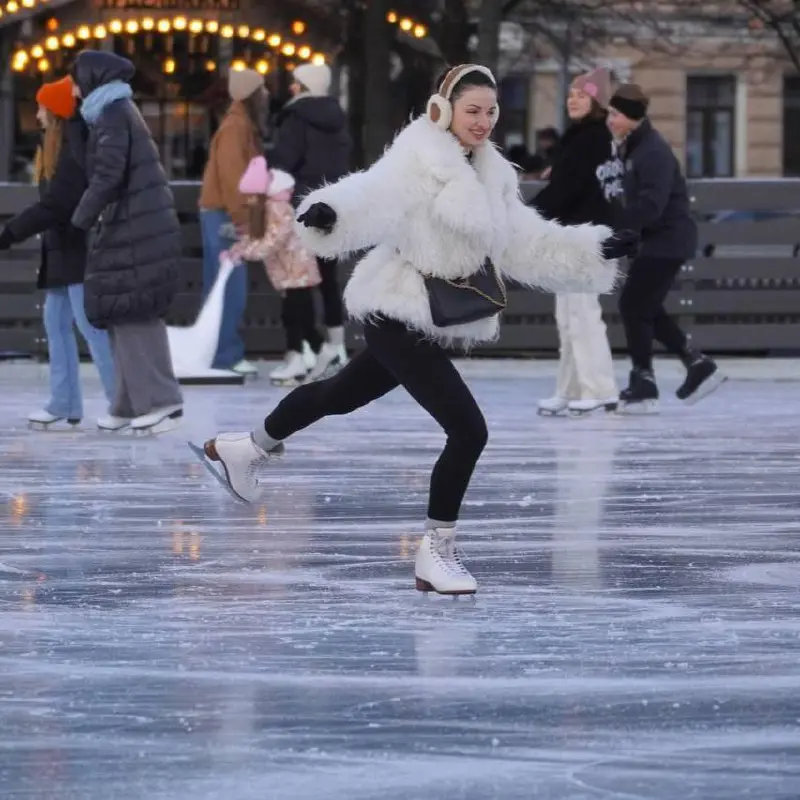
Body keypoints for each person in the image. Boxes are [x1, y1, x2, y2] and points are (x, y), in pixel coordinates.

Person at [195, 64, 632, 596]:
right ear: (444, 109)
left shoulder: (492, 174)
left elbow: (524, 240)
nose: (483, 120)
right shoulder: (418, 157)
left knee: (339, 394)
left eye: (491, 111)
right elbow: (370, 193)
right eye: (472, 109)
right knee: (469, 430)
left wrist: (593, 249)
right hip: (394, 308)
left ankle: (249, 447)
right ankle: (435, 551)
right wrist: (330, 212)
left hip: (430, 317)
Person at [70, 50, 183, 434]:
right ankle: (128, 403)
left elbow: (108, 173)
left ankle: (162, 401)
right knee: (122, 314)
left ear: (91, 79)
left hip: (138, 226)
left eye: (76, 80)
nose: (72, 88)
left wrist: (80, 218)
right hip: (133, 223)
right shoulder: (115, 111)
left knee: (135, 314)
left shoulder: (113, 114)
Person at [0, 75, 115, 431]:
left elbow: (58, 204)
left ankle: (124, 403)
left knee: (90, 329)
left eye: (41, 107)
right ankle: (63, 402)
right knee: (56, 324)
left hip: (78, 249)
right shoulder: (55, 145)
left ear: (56, 111)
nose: (36, 115)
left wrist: (9, 232)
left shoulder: (73, 148)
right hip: (62, 250)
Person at [607, 84, 724, 413]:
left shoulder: (652, 151)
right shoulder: (635, 147)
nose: (611, 120)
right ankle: (695, 363)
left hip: (667, 240)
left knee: (634, 305)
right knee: (644, 307)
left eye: (616, 114)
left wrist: (621, 229)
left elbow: (651, 204)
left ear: (632, 116)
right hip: (656, 241)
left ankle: (644, 380)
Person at [531, 67, 624, 417]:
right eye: (570, 94)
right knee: (568, 316)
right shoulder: (584, 137)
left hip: (588, 237)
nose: (572, 100)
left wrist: (527, 215)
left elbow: (567, 189)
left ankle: (599, 389)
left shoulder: (591, 139)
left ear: (597, 102)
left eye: (581, 95)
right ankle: (570, 389)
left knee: (583, 315)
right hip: (575, 235)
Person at [270, 62, 352, 383]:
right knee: (328, 278)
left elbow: (285, 162)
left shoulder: (296, 118)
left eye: (296, 82)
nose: (292, 87)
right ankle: (336, 346)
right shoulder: (338, 118)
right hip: (333, 206)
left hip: (300, 206)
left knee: (298, 281)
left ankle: (299, 352)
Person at [229, 156, 322, 386]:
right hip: (291, 272)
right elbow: (257, 235)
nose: (248, 200)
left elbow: (273, 240)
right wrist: (238, 248)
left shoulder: (279, 208)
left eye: (251, 195)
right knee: (300, 318)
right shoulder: (270, 208)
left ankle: (300, 358)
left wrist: (247, 253)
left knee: (294, 317)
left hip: (296, 271)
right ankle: (318, 355)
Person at [199, 67, 267, 376]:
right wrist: (242, 219)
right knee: (229, 288)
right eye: (261, 90)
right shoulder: (235, 127)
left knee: (222, 286)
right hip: (225, 215)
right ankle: (224, 355)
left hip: (222, 213)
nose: (266, 95)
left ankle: (217, 352)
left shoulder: (239, 125)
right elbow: (233, 177)